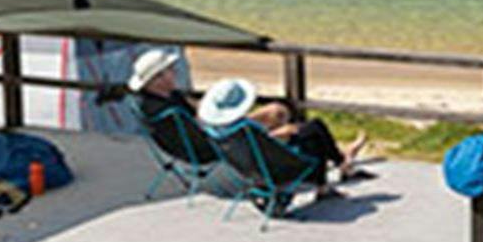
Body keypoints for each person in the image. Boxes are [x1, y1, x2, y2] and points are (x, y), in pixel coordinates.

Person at [128, 50, 368, 189]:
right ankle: (341, 160)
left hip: (206, 139)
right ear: (157, 78)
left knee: (278, 114)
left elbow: (196, 117)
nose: (175, 72)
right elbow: (202, 128)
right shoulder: (169, 109)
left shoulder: (153, 102)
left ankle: (341, 158)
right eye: (169, 70)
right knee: (283, 116)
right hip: (220, 143)